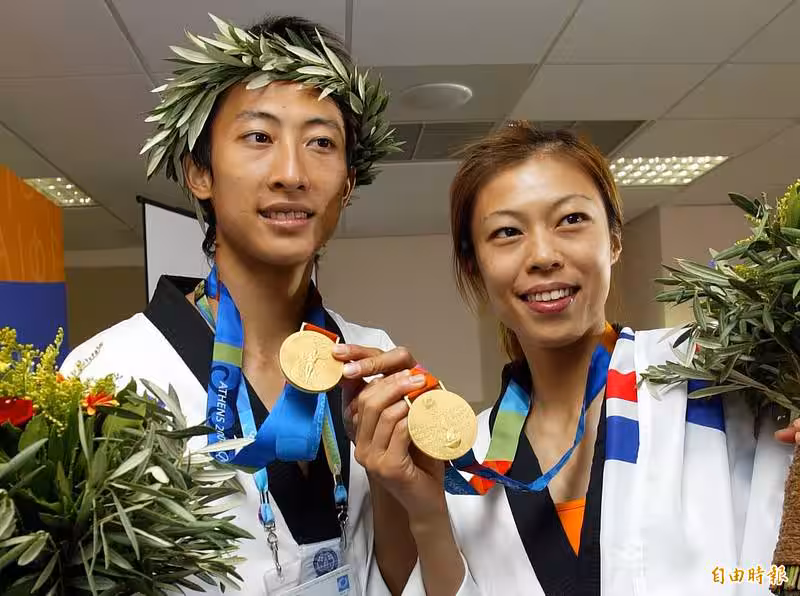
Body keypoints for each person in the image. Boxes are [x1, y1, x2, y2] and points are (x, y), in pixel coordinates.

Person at [351, 122, 800, 595]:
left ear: (614, 239)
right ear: (475, 267)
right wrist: (426, 513)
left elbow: (779, 572)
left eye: (570, 220)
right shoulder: (472, 460)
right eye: (507, 232)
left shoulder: (719, 375)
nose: (543, 255)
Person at [62, 13, 413, 596]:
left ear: (348, 185)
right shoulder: (110, 373)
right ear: (199, 172)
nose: (292, 173)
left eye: (321, 143)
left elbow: (395, 573)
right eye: (258, 137)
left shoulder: (370, 359)